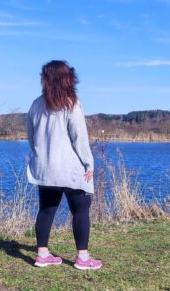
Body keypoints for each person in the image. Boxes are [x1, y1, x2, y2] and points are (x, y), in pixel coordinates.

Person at [26, 60, 102, 270]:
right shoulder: (72, 104)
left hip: (45, 168)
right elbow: (80, 139)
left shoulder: (35, 104)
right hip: (70, 168)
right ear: (67, 79)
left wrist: (40, 157)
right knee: (80, 210)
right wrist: (89, 163)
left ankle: (42, 254)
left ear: (46, 79)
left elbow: (31, 138)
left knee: (46, 210)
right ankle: (83, 259)